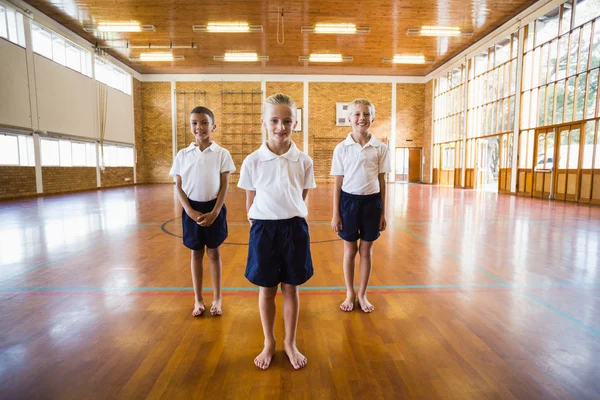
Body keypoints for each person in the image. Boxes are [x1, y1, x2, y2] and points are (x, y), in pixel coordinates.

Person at [238, 93, 316, 370]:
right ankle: (269, 342)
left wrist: (288, 213)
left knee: (291, 289)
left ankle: (290, 342)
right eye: (274, 120)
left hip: (294, 228)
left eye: (287, 121)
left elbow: (302, 193)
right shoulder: (252, 161)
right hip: (263, 229)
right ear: (263, 122)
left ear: (296, 123)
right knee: (267, 290)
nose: (280, 127)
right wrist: (259, 222)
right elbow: (250, 198)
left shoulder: (303, 160)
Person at [170, 106, 235, 317]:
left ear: (213, 126)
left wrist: (216, 211)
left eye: (205, 123)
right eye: (195, 123)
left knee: (214, 253)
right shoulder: (182, 154)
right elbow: (178, 186)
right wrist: (188, 210)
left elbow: (225, 185)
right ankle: (198, 299)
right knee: (196, 253)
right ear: (190, 126)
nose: (199, 127)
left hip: (214, 208)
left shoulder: (222, 153)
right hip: (192, 209)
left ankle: (217, 298)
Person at [330, 99, 391, 313]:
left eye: (366, 114)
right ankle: (349, 292)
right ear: (349, 119)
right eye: (357, 114)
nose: (361, 118)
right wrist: (336, 213)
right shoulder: (341, 148)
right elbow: (337, 181)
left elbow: (383, 181)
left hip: (372, 203)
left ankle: (363, 294)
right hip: (348, 202)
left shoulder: (380, 148)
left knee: (366, 250)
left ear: (372, 118)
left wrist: (383, 212)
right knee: (350, 249)